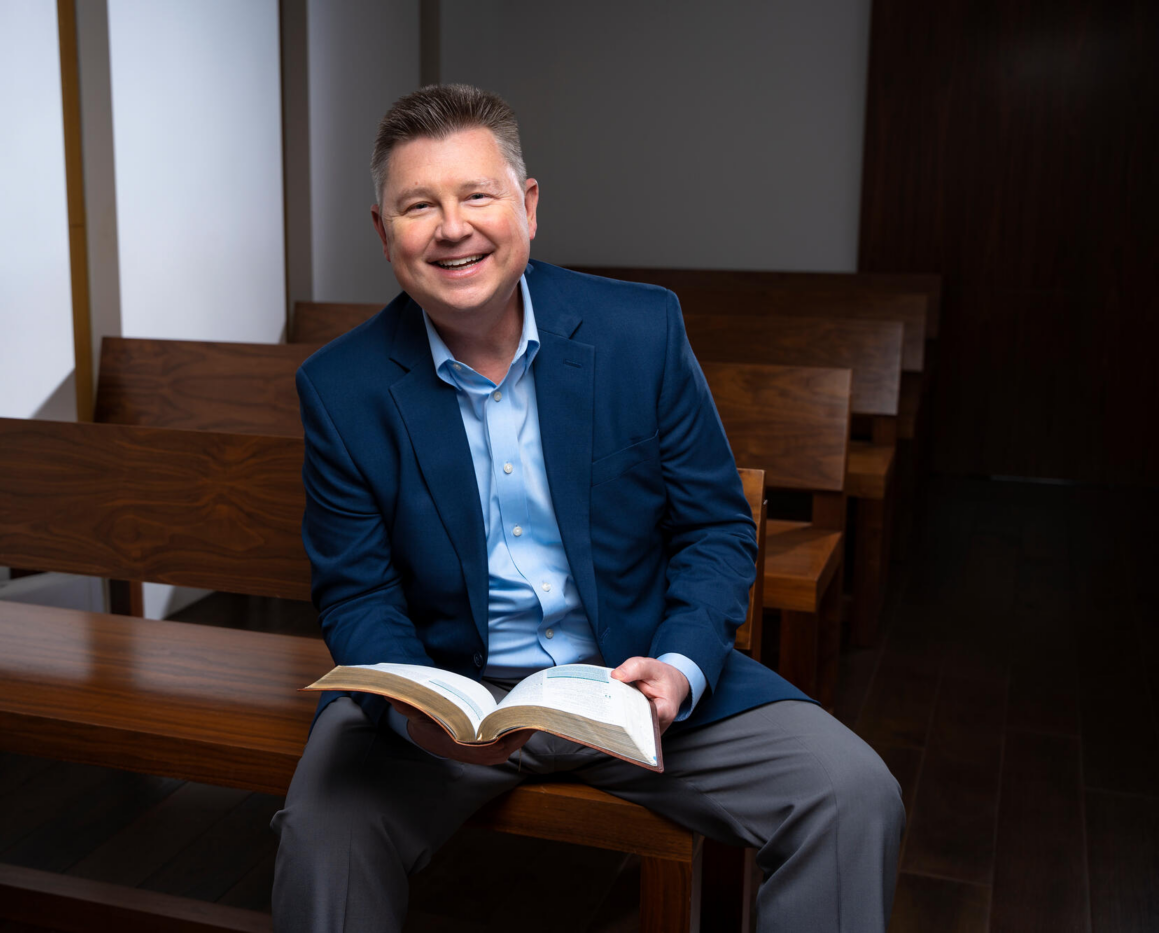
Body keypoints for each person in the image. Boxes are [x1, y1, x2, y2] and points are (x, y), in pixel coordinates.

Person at [271, 84, 903, 933]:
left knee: (851, 793)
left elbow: (715, 528)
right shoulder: (341, 387)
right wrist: (413, 710)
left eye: (478, 195)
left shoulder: (640, 329)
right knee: (324, 831)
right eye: (419, 205)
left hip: (633, 686)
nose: (452, 227)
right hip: (450, 703)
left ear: (527, 206)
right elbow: (356, 593)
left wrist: (678, 666)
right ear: (385, 233)